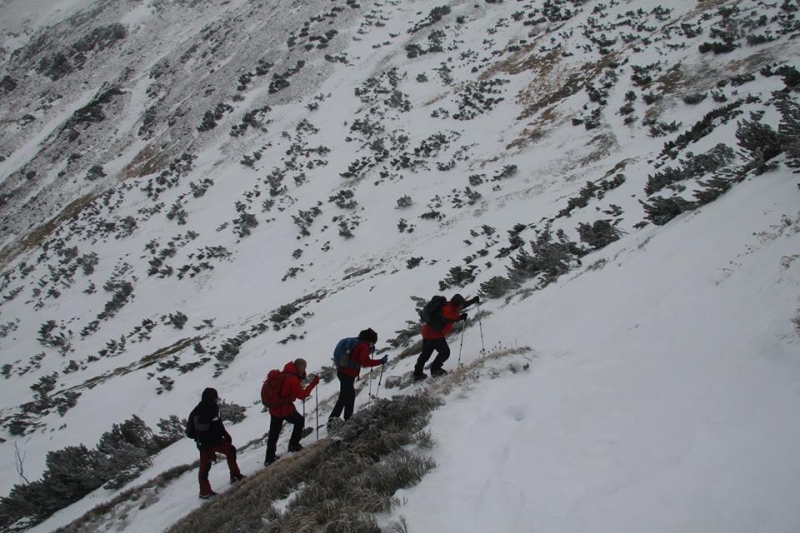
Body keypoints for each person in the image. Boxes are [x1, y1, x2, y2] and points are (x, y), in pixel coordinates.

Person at [188, 387, 245, 499]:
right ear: (211, 398)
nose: (217, 400)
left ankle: (235, 476)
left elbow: (218, 423)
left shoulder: (213, 407)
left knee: (231, 450)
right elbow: (201, 435)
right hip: (206, 445)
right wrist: (209, 451)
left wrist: (225, 434)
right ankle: (204, 492)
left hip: (216, 440)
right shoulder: (200, 414)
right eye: (215, 398)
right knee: (205, 467)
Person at [265, 358, 320, 466]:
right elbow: (302, 395)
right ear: (299, 367)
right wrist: (313, 384)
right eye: (304, 367)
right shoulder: (292, 379)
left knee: (274, 433)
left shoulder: (285, 373)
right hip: (284, 408)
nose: (304, 370)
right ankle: (293, 445)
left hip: (275, 408)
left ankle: (269, 458)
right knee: (299, 421)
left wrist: (301, 376)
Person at [328, 328, 387, 425]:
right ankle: (333, 422)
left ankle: (347, 419)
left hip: (343, 371)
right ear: (370, 340)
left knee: (349, 396)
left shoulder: (358, 342)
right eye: (373, 342)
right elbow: (365, 362)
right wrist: (381, 361)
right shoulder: (364, 346)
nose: (373, 344)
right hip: (347, 374)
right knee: (344, 397)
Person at [413, 293, 479, 380]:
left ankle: (418, 373)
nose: (461, 306)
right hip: (433, 335)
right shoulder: (447, 309)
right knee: (444, 353)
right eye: (460, 304)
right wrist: (460, 318)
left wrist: (474, 300)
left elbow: (463, 305)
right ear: (457, 304)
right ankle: (434, 370)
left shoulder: (452, 306)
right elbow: (448, 318)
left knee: (426, 354)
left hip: (432, 333)